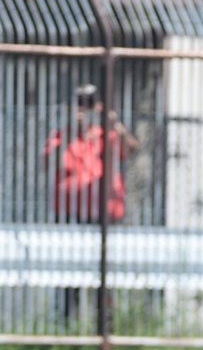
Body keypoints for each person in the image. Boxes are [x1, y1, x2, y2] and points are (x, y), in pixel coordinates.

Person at [46, 85, 136, 323]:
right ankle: (66, 325)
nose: (85, 110)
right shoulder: (62, 135)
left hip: (104, 215)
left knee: (104, 275)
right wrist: (70, 129)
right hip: (70, 214)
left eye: (90, 104)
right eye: (81, 104)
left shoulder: (108, 134)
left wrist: (114, 123)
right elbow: (48, 162)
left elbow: (131, 149)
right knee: (68, 277)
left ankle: (104, 325)